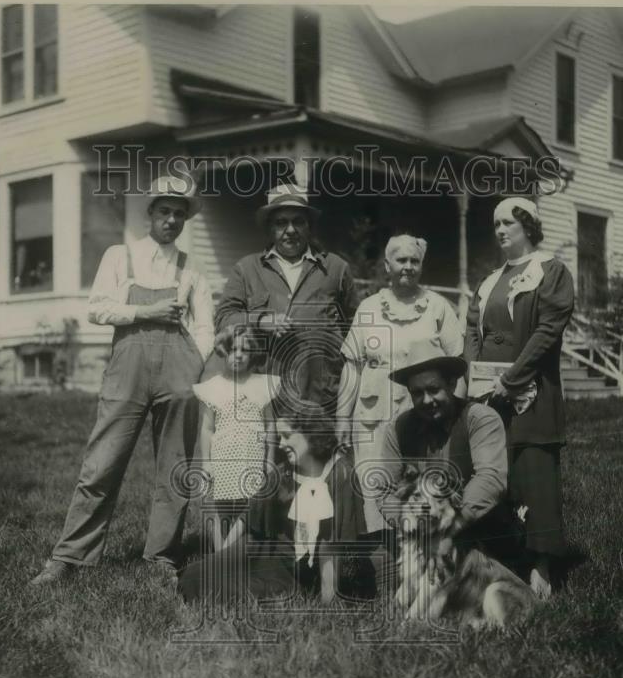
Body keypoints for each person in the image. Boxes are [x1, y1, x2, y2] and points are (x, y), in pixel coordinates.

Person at [30, 176, 214, 585]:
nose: (171, 220)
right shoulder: (119, 255)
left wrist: (194, 366)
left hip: (179, 367)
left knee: (175, 466)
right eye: (164, 211)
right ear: (149, 213)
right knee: (102, 461)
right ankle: (68, 557)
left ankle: (162, 557)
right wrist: (143, 313)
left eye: (179, 214)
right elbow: (97, 309)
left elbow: (205, 325)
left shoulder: (192, 265)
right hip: (128, 362)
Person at [463, 197, 575, 597]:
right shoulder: (489, 280)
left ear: (528, 225)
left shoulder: (550, 272)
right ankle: (497, 561)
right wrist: (474, 378)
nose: (499, 230)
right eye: (495, 223)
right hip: (486, 393)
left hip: (531, 391)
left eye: (507, 222)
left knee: (534, 474)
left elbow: (548, 332)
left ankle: (542, 568)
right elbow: (473, 331)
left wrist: (510, 380)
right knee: (492, 469)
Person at [337, 233, 463, 533]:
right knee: (375, 485)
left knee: (416, 486)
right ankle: (380, 562)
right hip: (372, 418)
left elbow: (458, 369)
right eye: (401, 260)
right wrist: (342, 417)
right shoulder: (368, 308)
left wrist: (453, 418)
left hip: (421, 417)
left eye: (414, 261)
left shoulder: (438, 308)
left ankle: (421, 556)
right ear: (387, 264)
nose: (407, 266)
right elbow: (352, 367)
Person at [177, 411, 368, 605]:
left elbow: (331, 546)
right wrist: (222, 558)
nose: (281, 445)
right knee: (195, 575)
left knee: (233, 592)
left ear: (310, 434)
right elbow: (247, 517)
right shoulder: (284, 471)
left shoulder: (340, 475)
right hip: (261, 549)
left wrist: (329, 599)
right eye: (279, 438)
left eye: (287, 436)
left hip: (296, 568)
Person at [212, 183, 361, 415]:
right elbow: (224, 318)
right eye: (281, 222)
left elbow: (356, 326)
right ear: (269, 229)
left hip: (320, 395)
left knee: (317, 452)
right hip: (264, 392)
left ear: (309, 226)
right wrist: (261, 320)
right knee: (266, 451)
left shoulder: (336, 268)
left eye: (298, 221)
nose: (290, 230)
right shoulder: (247, 269)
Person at [374, 343, 512, 556]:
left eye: (433, 390)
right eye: (417, 393)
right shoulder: (399, 427)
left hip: (476, 531)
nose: (427, 400)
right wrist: (407, 522)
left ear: (452, 383)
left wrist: (448, 526)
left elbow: (491, 479)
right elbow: (384, 489)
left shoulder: (480, 418)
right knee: (380, 570)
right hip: (418, 534)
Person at [193, 327, 279, 553]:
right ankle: (219, 554)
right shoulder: (214, 387)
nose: (239, 354)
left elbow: (270, 425)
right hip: (223, 456)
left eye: (245, 350)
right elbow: (207, 428)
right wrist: (206, 461)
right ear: (224, 351)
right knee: (222, 508)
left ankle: (235, 553)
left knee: (250, 506)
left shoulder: (261, 385)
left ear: (252, 355)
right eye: (233, 349)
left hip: (252, 455)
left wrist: (269, 459)